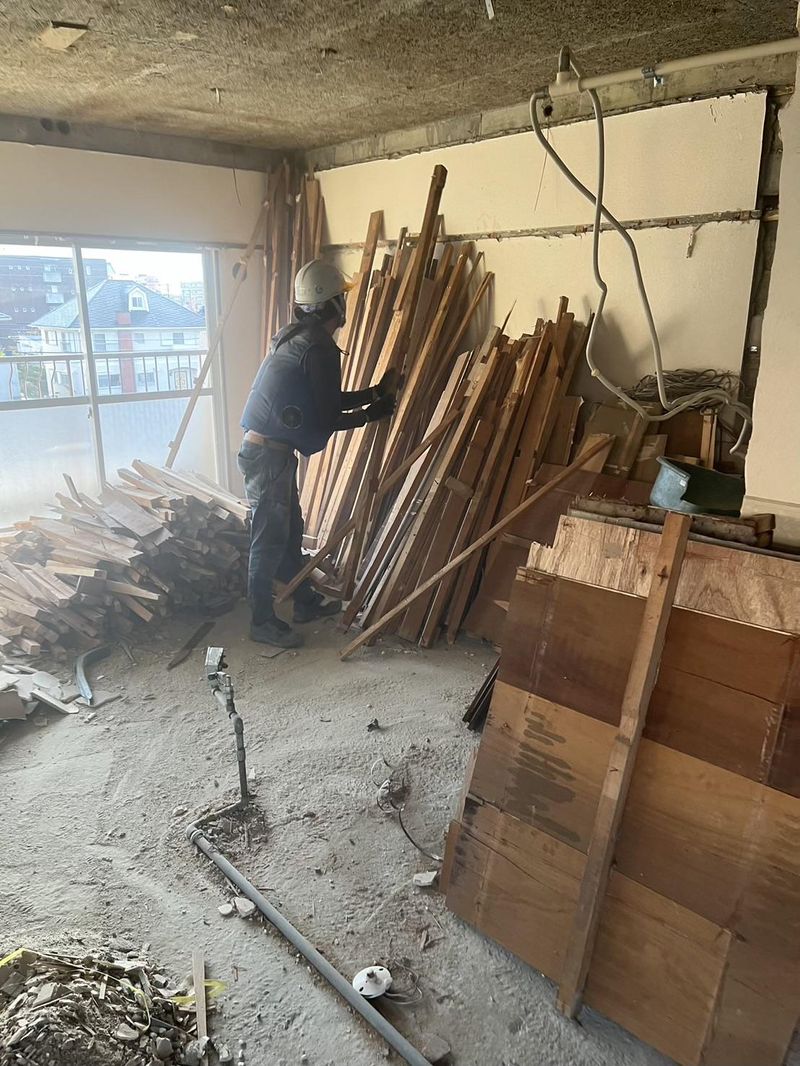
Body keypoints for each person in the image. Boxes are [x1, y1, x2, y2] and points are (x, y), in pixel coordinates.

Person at [238, 260, 399, 648]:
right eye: (343, 298)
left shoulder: (294, 337)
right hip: (268, 457)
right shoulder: (319, 348)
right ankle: (261, 621)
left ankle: (304, 602)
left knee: (291, 531)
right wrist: (369, 414)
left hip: (269, 452)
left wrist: (373, 394)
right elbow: (327, 416)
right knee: (268, 540)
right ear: (333, 304)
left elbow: (322, 400)